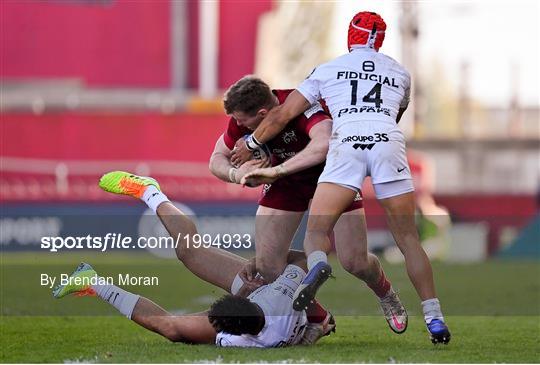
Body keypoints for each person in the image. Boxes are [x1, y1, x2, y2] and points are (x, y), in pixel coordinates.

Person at [236, 12, 450, 344]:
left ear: (350, 37)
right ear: (379, 41)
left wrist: (252, 142)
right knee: (408, 240)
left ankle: (318, 265)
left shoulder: (326, 70)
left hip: (346, 145)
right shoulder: (400, 72)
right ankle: (434, 317)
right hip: (387, 144)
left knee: (317, 231)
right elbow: (396, 113)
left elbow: (283, 113)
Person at [209, 76, 407, 334]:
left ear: (262, 113)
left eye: (241, 120)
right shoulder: (242, 118)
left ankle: (385, 292)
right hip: (286, 183)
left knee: (355, 261)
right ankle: (319, 317)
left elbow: (323, 144)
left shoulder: (302, 103)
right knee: (268, 265)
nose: (236, 124)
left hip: (332, 175)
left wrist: (277, 170)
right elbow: (216, 159)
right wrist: (238, 174)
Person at [52, 171, 329, 347]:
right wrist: (265, 262)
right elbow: (305, 259)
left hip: (269, 298)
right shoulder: (285, 297)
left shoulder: (247, 337)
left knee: (173, 325)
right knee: (189, 251)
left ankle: (92, 282)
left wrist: (314, 321)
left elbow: (302, 263)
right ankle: (148, 190)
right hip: (270, 290)